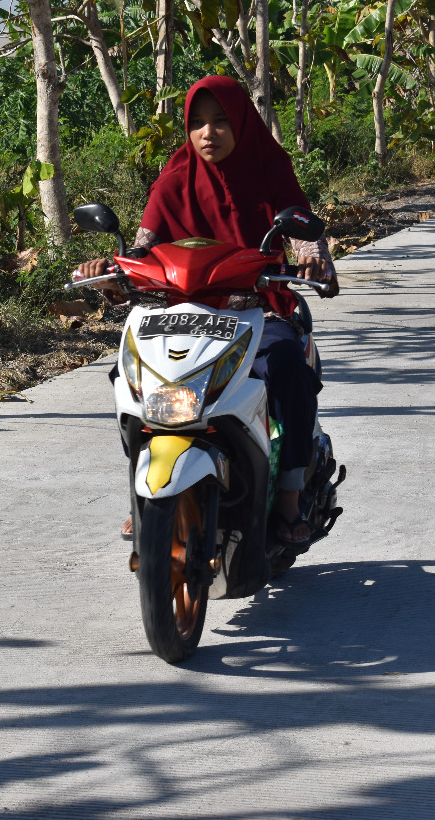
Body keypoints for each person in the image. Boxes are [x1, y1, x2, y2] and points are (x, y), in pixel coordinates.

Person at [77, 75, 339, 544]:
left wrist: (313, 258)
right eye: (197, 123)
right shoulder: (173, 181)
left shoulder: (269, 171)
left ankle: (289, 496)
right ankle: (145, 492)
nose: (207, 133)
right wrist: (111, 273)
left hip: (257, 310)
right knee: (127, 376)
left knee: (286, 367)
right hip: (182, 314)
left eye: (220, 121)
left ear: (242, 123)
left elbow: (302, 229)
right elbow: (141, 252)